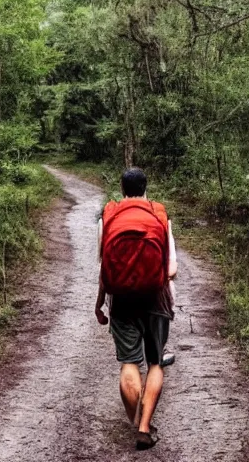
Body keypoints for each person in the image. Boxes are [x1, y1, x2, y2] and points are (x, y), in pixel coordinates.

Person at [95, 167, 177, 450]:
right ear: (145, 188)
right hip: (156, 299)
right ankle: (145, 426)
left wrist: (99, 305)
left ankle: (137, 421)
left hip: (121, 302)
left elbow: (104, 269)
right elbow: (173, 268)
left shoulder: (110, 217)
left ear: (122, 189)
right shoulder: (159, 216)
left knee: (129, 363)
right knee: (155, 362)